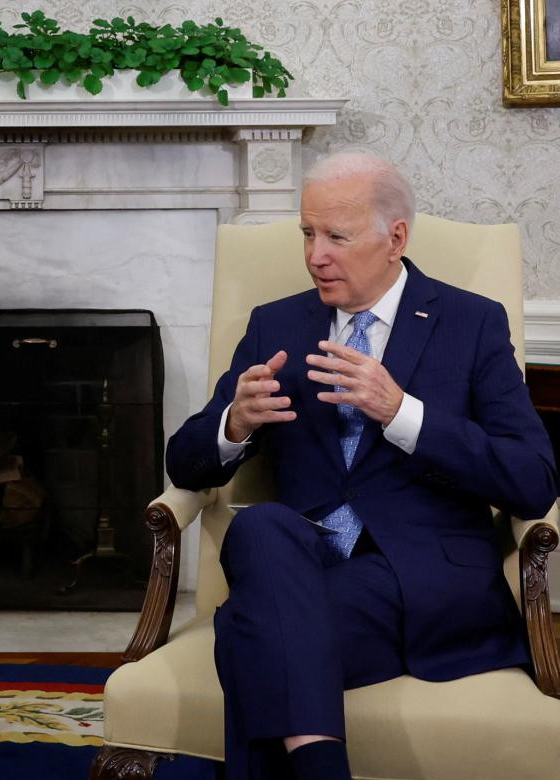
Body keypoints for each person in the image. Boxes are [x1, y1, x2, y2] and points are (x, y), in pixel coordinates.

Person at [165, 152, 557, 780]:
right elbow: (183, 463)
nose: (315, 255)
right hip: (301, 563)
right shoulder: (277, 325)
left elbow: (534, 480)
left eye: (336, 237)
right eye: (307, 234)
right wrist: (233, 424)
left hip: (422, 579)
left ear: (395, 237)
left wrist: (403, 413)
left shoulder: (471, 322)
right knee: (261, 528)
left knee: (251, 635)